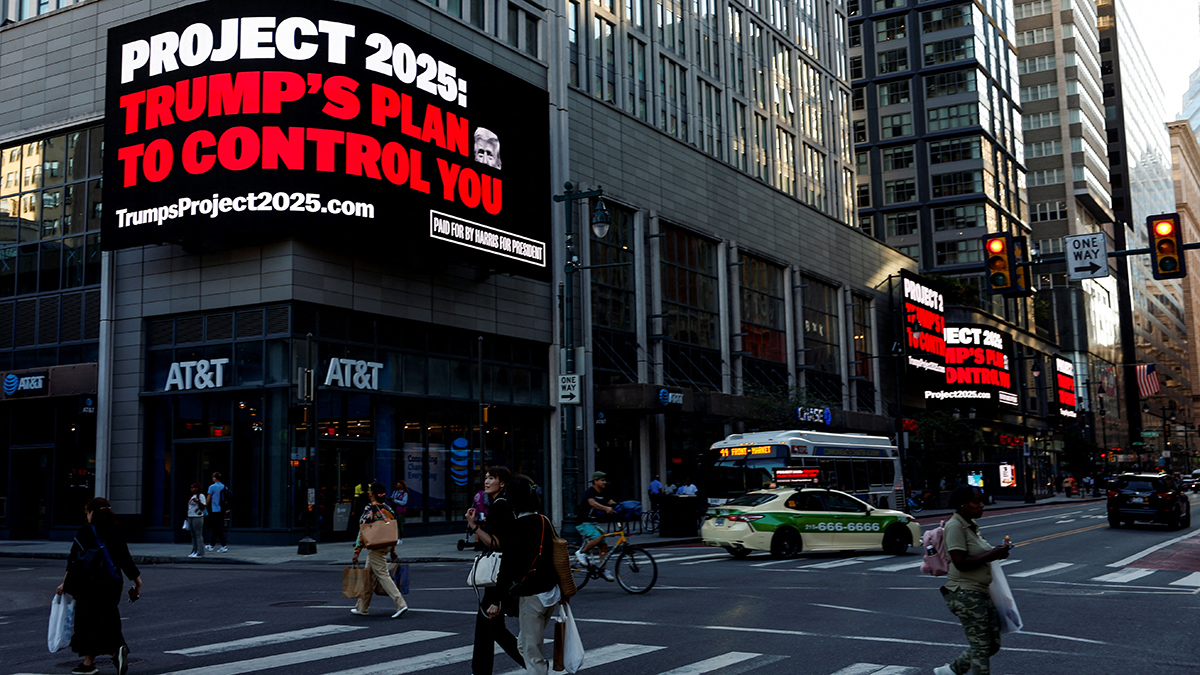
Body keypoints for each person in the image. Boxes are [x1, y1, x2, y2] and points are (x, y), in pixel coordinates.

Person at [57, 498, 142, 675]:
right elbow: (124, 556)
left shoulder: (86, 532)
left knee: (87, 622)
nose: (86, 516)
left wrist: (65, 583)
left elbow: (73, 559)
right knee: (107, 618)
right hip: (113, 583)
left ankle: (113, 651)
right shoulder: (115, 530)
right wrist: (136, 580)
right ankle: (90, 662)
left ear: (92, 513)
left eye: (87, 512)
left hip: (90, 585)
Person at [934, 486, 1013, 675]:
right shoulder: (955, 526)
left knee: (992, 644)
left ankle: (951, 671)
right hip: (965, 593)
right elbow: (960, 562)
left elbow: (978, 553)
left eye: (981, 501)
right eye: (976, 502)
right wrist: (992, 554)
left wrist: (997, 553)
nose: (982, 505)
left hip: (981, 592)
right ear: (962, 504)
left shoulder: (970, 524)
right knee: (981, 648)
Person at [489, 474, 557, 675]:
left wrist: (496, 600)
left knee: (531, 651)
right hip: (550, 593)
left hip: (532, 595)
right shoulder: (545, 522)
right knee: (524, 645)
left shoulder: (516, 528)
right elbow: (555, 557)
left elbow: (506, 568)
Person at [465, 466, 524, 675]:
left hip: (499, 574)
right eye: (486, 478)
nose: (487, 481)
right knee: (491, 628)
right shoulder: (506, 505)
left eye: (492, 478)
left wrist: (474, 527)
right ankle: (481, 670)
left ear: (502, 483)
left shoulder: (500, 506)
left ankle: (531, 662)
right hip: (504, 573)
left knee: (490, 626)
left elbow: (496, 543)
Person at [350, 482, 408, 618]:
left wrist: (357, 550)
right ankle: (362, 607)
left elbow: (362, 531)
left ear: (372, 494)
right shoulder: (389, 509)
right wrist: (393, 550)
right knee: (368, 577)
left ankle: (400, 604)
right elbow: (393, 531)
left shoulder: (370, 509)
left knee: (382, 574)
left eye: (370, 491)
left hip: (375, 546)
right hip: (386, 544)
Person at [574, 472, 617, 581]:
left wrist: (621, 507)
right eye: (602, 480)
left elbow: (611, 502)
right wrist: (606, 508)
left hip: (593, 523)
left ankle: (603, 569)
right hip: (583, 522)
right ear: (595, 481)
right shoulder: (590, 492)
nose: (604, 482)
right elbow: (592, 503)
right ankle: (581, 552)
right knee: (598, 537)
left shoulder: (602, 493)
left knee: (604, 544)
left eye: (605, 480)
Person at [206, 472, 228, 552]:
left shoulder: (212, 487)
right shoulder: (224, 486)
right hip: (222, 509)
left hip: (215, 509)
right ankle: (212, 545)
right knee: (216, 527)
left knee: (218, 528)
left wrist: (204, 506)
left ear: (215, 478)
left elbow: (208, 498)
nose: (212, 478)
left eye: (213, 477)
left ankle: (224, 545)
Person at [186, 482, 206, 558]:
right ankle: (194, 550)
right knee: (193, 535)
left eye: (193, 488)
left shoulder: (201, 496)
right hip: (191, 516)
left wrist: (197, 501)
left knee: (198, 534)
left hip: (197, 517)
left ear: (196, 488)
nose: (192, 489)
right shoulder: (193, 496)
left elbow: (203, 506)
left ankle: (200, 552)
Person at [389, 480, 409, 544]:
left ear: (401, 485)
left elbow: (404, 502)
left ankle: (400, 538)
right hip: (394, 509)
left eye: (398, 484)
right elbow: (392, 498)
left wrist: (395, 500)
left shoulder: (405, 493)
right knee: (395, 524)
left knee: (400, 524)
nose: (396, 485)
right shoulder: (395, 492)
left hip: (401, 510)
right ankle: (396, 537)